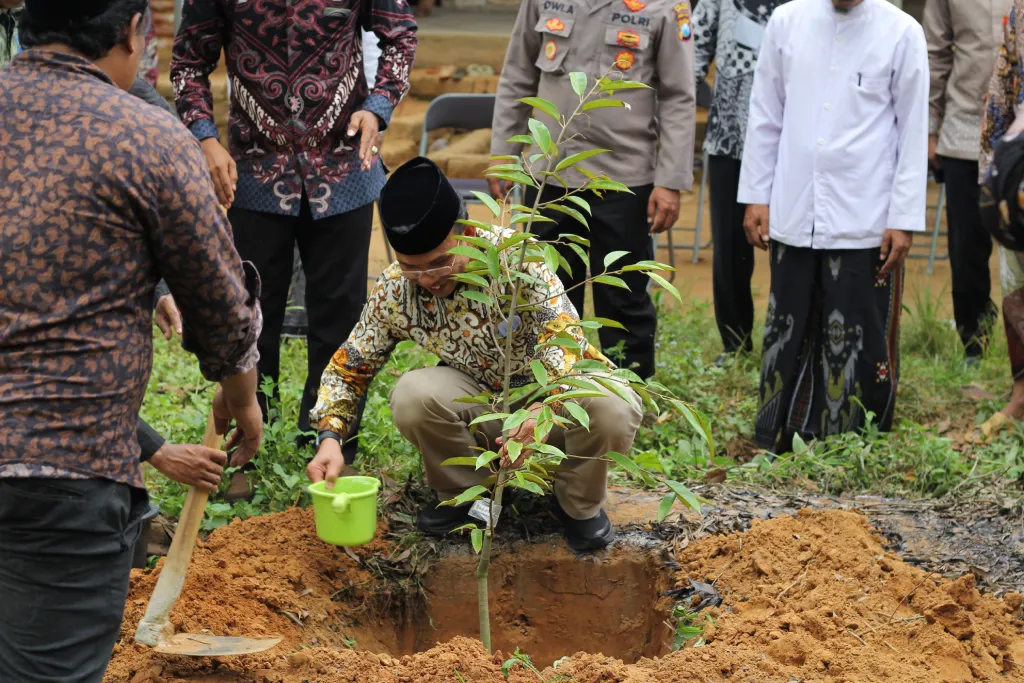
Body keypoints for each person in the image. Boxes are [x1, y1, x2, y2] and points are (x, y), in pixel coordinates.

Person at [0, 1, 265, 680]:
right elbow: (221, 309)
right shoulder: (146, 135)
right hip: (61, 474)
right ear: (131, 35)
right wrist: (242, 397)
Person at [307, 157, 643, 552]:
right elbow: (350, 367)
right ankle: (466, 496)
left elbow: (563, 336)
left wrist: (542, 409)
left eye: (440, 263)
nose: (428, 280)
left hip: (553, 403)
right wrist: (330, 436)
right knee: (413, 395)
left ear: (468, 233)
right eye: (413, 269)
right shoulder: (398, 290)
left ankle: (578, 505)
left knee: (613, 405)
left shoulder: (520, 261)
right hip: (480, 408)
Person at [171, 0, 418, 472]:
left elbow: (401, 35)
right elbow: (188, 62)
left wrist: (378, 106)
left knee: (340, 319)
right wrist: (204, 139)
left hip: (345, 171)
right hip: (253, 176)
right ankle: (250, 445)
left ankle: (331, 443)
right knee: (250, 318)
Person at [737, 0, 928, 452]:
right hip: (793, 205)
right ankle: (779, 431)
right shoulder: (787, 20)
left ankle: (856, 439)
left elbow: (912, 129)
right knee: (788, 322)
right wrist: (757, 195)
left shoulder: (902, 31)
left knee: (857, 325)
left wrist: (903, 218)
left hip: (866, 213)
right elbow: (766, 114)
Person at [490, 0, 697, 380]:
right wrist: (503, 154)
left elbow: (678, 95)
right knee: (545, 293)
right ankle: (549, 393)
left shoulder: (665, 6)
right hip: (548, 176)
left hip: (622, 179)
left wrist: (670, 181)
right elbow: (518, 72)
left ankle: (630, 395)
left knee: (623, 298)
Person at [693, 0, 787, 363]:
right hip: (729, 140)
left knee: (792, 248)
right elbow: (693, 54)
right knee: (731, 250)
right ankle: (735, 345)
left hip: (793, 146)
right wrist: (716, 102)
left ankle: (787, 343)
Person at [924, 0, 1011, 366]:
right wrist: (930, 127)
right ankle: (975, 342)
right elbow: (934, 53)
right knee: (966, 247)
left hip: (1019, 126)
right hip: (965, 128)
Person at [979, 3, 1024, 437]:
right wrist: (990, 174)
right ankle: (1022, 393)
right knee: (1016, 285)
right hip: (1021, 174)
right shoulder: (1020, 10)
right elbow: (1002, 89)